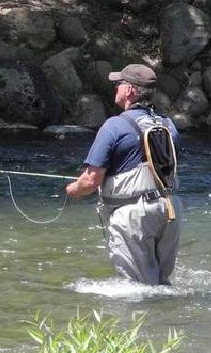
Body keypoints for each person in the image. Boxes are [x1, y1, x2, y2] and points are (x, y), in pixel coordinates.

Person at [65, 64, 182, 285]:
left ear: (129, 90)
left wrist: (72, 190)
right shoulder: (168, 124)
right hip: (170, 209)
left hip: (133, 214)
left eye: (118, 84)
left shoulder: (114, 126)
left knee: (137, 288)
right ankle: (169, 319)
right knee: (161, 282)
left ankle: (143, 320)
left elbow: (91, 181)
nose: (115, 88)